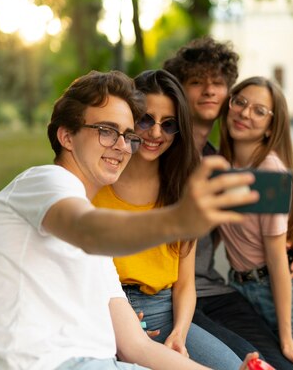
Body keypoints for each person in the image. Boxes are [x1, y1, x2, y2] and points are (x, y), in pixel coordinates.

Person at [0, 70, 260, 370]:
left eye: (128, 135)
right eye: (106, 130)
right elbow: (88, 231)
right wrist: (177, 220)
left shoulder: (99, 252)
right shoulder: (44, 181)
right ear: (67, 136)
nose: (122, 146)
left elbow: (137, 347)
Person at [164, 38, 293, 370]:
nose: (209, 91)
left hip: (213, 289)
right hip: (168, 295)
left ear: (228, 95)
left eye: (219, 84)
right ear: (180, 91)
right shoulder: (160, 149)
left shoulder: (221, 162)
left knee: (285, 364)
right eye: (196, 82)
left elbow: (275, 209)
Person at [93, 69, 243, 369]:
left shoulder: (181, 189)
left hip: (165, 311)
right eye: (146, 119)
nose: (156, 133)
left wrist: (179, 333)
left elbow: (185, 283)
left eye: (169, 124)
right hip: (107, 311)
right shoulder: (98, 178)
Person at [218, 76, 293, 370]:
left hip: (290, 296)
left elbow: (276, 258)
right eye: (240, 102)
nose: (245, 113)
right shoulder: (222, 166)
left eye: (259, 111)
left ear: (271, 126)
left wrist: (287, 339)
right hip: (243, 289)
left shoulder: (269, 171)